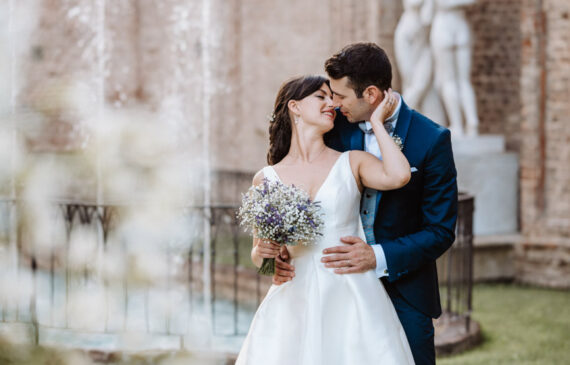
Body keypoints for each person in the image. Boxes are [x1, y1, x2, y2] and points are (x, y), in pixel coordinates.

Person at [273, 43, 458, 365]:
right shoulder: (332, 127)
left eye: (340, 96)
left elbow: (440, 230)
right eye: (328, 95)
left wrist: (376, 255)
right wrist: (278, 254)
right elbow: (297, 185)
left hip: (404, 286)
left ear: (371, 94)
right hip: (333, 287)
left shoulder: (431, 139)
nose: (333, 103)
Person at [235, 75, 414, 364]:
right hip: (294, 298)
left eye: (333, 97)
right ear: (294, 106)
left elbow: (399, 175)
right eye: (321, 96)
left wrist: (377, 122)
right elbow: (259, 254)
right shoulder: (265, 178)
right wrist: (266, 254)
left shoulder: (352, 161)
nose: (331, 103)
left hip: (351, 293)